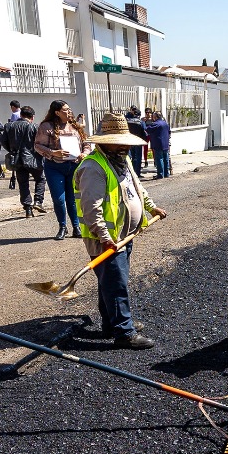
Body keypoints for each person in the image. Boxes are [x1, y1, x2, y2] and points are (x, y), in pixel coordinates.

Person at [75, 113, 165, 349]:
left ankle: (111, 323)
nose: (126, 145)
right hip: (106, 239)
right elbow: (91, 209)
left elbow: (137, 188)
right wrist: (105, 238)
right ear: (106, 141)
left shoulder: (121, 160)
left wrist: (151, 206)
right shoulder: (94, 167)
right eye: (121, 140)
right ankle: (124, 332)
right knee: (116, 284)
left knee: (111, 281)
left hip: (124, 236)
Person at [34, 100, 88, 240]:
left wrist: (84, 154)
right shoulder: (46, 126)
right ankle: (62, 227)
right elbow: (38, 146)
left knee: (73, 199)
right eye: (65, 110)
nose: (69, 112)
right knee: (59, 199)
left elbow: (86, 143)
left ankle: (76, 227)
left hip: (74, 166)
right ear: (57, 112)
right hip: (55, 167)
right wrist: (53, 152)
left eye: (69, 109)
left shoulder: (75, 126)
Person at [2, 104, 44, 220]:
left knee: (23, 183)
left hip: (17, 159)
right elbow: (40, 143)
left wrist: (13, 150)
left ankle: (28, 208)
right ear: (32, 117)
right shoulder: (34, 127)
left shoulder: (9, 126)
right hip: (33, 158)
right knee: (40, 179)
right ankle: (38, 201)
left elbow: (3, 141)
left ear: (20, 115)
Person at [146, 107, 173, 179]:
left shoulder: (156, 124)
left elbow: (148, 130)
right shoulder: (165, 124)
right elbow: (169, 132)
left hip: (158, 144)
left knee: (160, 159)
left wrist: (144, 123)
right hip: (165, 144)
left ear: (156, 117)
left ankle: (160, 174)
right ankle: (166, 173)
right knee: (166, 158)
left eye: (153, 116)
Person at [125, 106, 149, 173]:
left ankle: (131, 171)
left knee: (131, 157)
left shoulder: (127, 121)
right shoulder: (140, 122)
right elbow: (145, 131)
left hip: (130, 141)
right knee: (138, 157)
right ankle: (137, 172)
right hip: (138, 141)